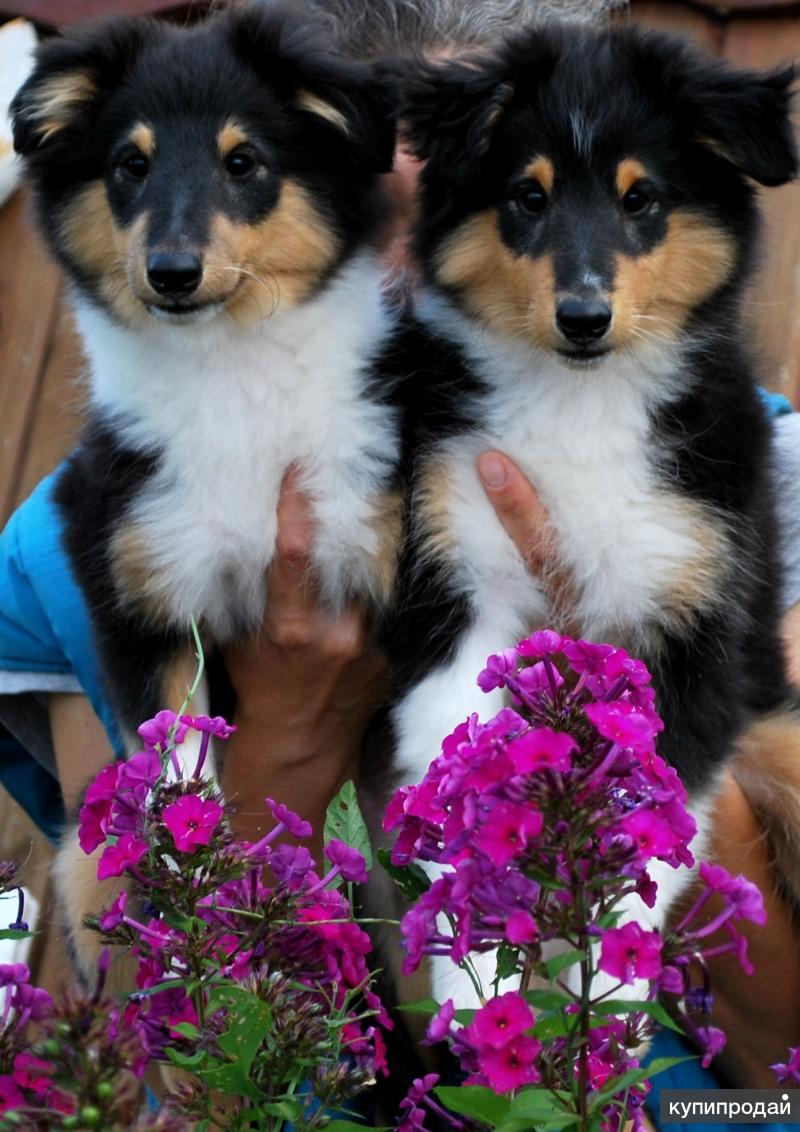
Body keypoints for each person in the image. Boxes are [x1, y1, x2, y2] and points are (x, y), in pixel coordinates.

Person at [0, 0, 798, 1120]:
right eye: (381, 226)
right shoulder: (69, 542)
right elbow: (146, 1042)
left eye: (441, 214)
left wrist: (601, 697)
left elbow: (777, 1064)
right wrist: (286, 733)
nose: (410, 285)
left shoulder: (759, 466)